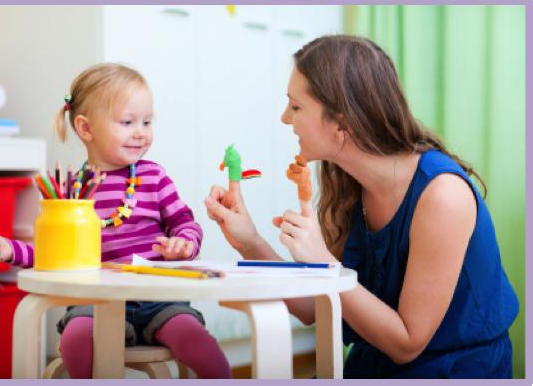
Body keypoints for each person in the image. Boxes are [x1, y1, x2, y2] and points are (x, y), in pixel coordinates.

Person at [204, 35, 518, 378]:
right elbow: (315, 308)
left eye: (295, 106)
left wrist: (324, 261)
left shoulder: (443, 197)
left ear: (340, 122)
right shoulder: (346, 182)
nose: (284, 118)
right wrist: (250, 240)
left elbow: (406, 343)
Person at [0, 63, 231, 379]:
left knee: (198, 343)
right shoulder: (71, 189)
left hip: (159, 298)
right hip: (95, 300)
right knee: (75, 339)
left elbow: (186, 223)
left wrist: (184, 243)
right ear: (86, 129)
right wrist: (12, 251)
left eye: (147, 121)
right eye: (127, 122)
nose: (140, 131)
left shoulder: (153, 177)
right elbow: (54, 253)